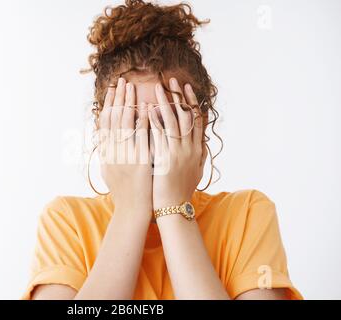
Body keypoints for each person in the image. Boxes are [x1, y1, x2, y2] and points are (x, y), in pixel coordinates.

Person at [22, 0, 302, 300]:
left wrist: (173, 206)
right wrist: (132, 210)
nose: (150, 144)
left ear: (201, 126)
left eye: (166, 122)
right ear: (104, 130)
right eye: (132, 123)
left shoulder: (247, 215)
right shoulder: (66, 222)